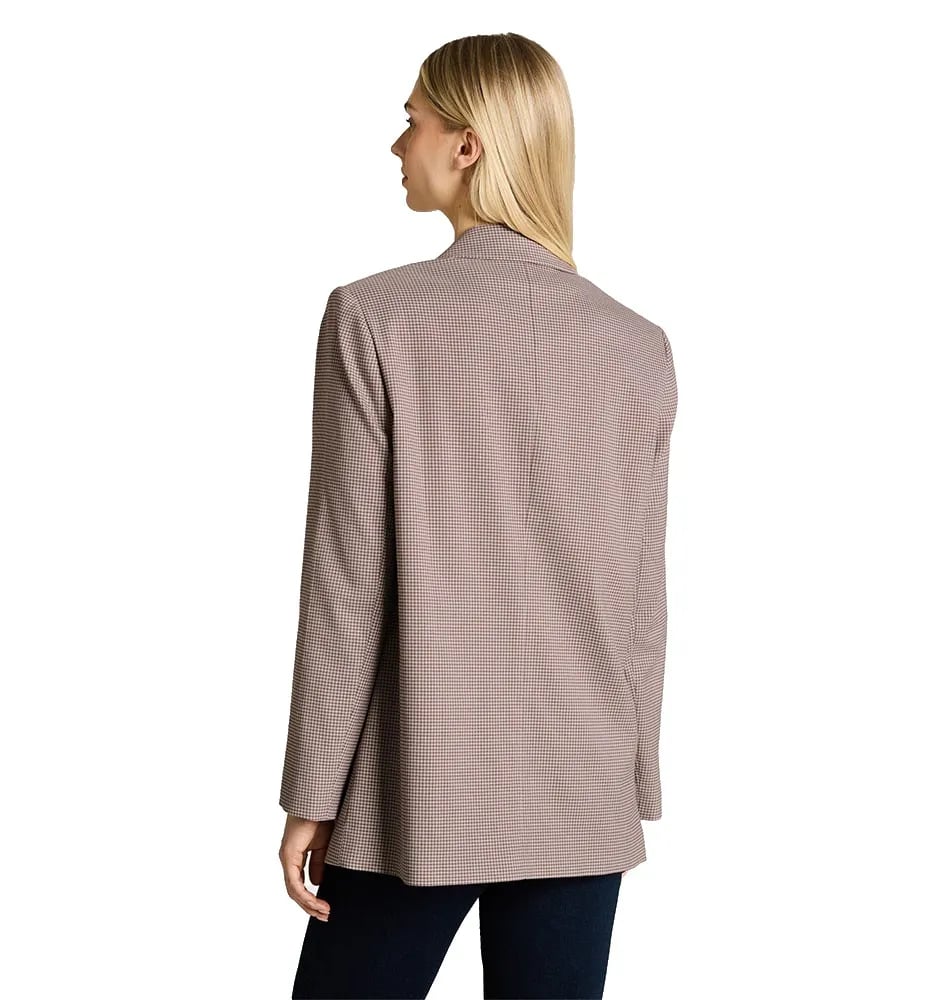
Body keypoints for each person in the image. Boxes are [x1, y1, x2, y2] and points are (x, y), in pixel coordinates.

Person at [277, 31, 679, 1000]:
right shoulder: (639, 345)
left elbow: (346, 583)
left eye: (412, 120)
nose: (396, 144)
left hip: (421, 781)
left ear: (467, 145)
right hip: (582, 784)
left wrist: (312, 793)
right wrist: (635, 776)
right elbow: (641, 597)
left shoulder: (375, 317)